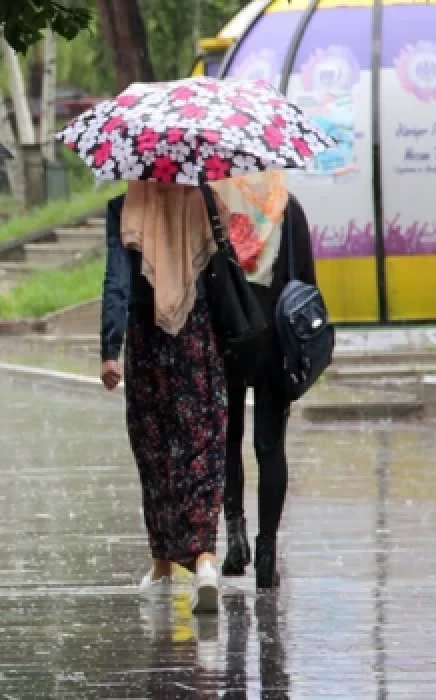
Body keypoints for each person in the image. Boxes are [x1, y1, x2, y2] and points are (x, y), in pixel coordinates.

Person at [99, 181, 228, 615]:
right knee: (203, 448)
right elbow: (223, 270)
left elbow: (117, 281)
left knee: (155, 452)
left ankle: (163, 567)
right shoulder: (206, 202)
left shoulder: (125, 208)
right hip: (198, 339)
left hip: (146, 342)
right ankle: (206, 560)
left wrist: (108, 350)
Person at [212, 172, 317, 590]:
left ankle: (236, 543)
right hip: (275, 340)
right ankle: (268, 552)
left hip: (227, 338)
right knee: (270, 447)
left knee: (227, 441)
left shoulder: (217, 207)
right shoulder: (288, 208)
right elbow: (306, 285)